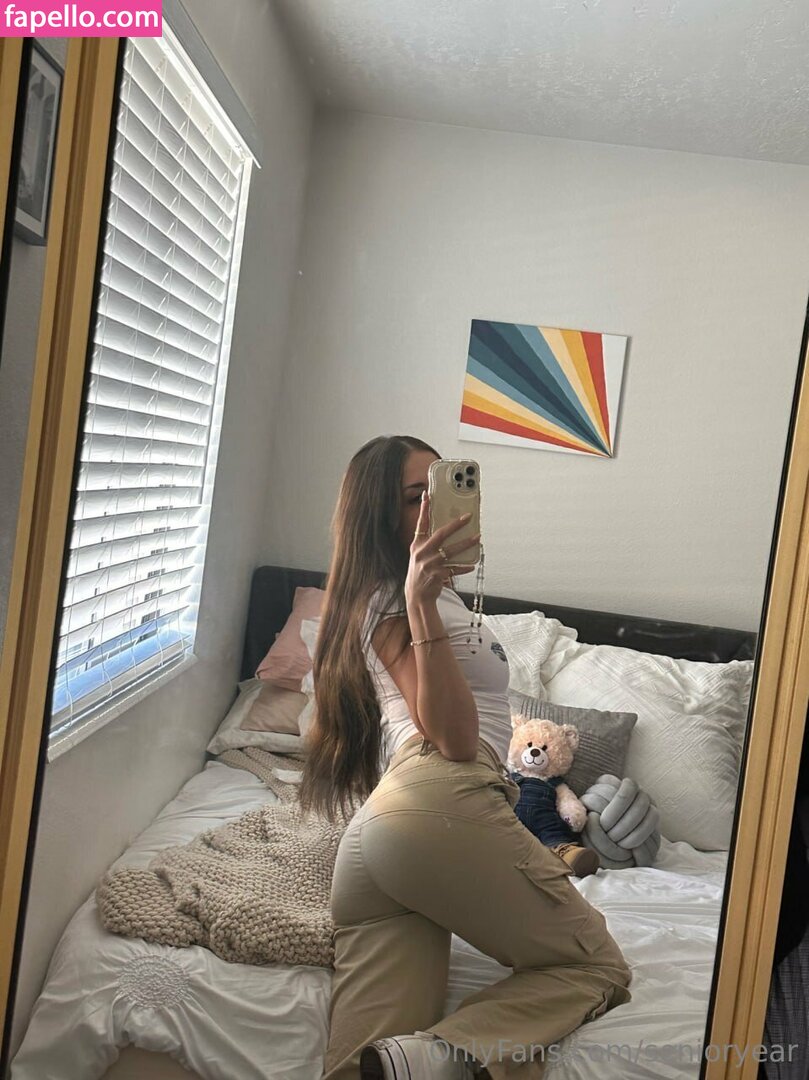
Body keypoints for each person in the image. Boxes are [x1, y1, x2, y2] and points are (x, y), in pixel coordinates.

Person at [299, 435, 632, 1080]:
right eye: (413, 498)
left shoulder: (414, 597)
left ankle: (412, 1062)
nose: (433, 509)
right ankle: (450, 1055)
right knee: (596, 965)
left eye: (440, 488)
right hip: (440, 796)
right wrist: (420, 602)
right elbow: (452, 738)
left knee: (369, 1060)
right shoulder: (395, 599)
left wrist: (429, 599)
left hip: (385, 834)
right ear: (378, 519)